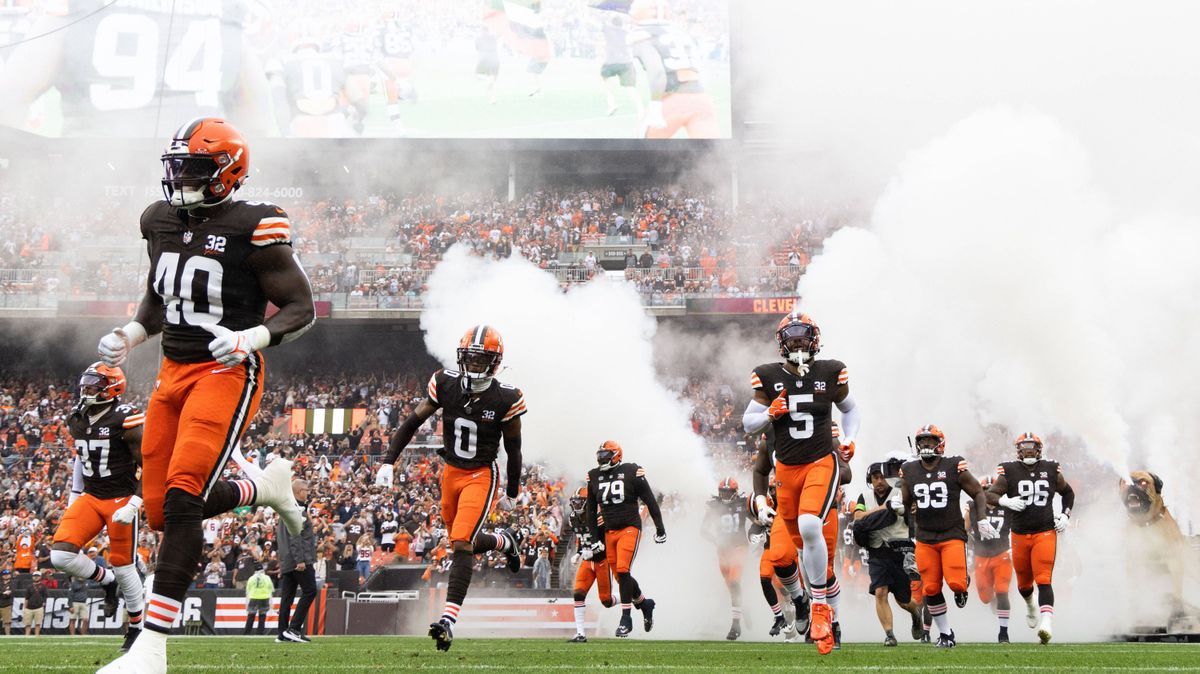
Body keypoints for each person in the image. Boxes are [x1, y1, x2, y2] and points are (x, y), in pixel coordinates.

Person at [95, 117, 314, 674]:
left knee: (186, 494)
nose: (182, 178)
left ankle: (151, 650)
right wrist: (131, 333)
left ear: (227, 172)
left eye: (195, 168)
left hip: (226, 373)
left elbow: (300, 307)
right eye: (178, 167)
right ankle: (261, 488)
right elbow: (158, 298)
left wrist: (252, 337)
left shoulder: (256, 226)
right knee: (164, 513)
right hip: (172, 371)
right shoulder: (159, 220)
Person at [385, 325, 526, 652]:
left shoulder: (507, 397)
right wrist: (387, 460)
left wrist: (513, 492)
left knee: (461, 543)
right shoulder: (445, 382)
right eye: (470, 359)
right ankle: (505, 542)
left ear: (494, 363)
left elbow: (514, 449)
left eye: (481, 360)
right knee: (464, 541)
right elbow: (412, 422)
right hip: (450, 472)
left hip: (480, 474)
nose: (474, 366)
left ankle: (448, 620)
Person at [743, 311, 861, 655]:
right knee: (786, 554)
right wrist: (770, 413)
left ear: (815, 338)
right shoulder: (767, 376)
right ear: (782, 342)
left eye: (803, 334)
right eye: (791, 335)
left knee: (811, 525)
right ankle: (804, 601)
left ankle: (822, 610)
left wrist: (850, 439)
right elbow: (749, 423)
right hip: (787, 472)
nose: (797, 340)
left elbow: (851, 409)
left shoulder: (829, 371)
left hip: (821, 463)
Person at [51, 363, 144, 651]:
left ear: (111, 388)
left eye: (94, 384)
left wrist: (135, 503)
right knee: (60, 555)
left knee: (125, 564)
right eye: (87, 383)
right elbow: (82, 456)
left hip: (120, 498)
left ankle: (137, 628)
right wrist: (75, 495)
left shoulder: (126, 419)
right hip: (91, 497)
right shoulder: (78, 417)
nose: (87, 388)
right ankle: (106, 581)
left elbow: (150, 466)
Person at [900, 425, 996, 649]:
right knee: (931, 588)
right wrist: (903, 511)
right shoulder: (909, 470)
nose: (925, 445)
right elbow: (906, 503)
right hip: (924, 536)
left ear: (941, 443)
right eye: (922, 441)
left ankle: (964, 583)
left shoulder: (954, 466)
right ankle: (946, 634)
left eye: (929, 441)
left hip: (951, 533)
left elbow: (978, 492)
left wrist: (981, 518)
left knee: (955, 583)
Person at [987, 432, 1075, 644]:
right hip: (1018, 533)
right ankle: (1030, 604)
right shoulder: (1008, 470)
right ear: (1018, 450)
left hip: (1045, 531)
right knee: (1024, 585)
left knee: (1044, 578)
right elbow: (990, 495)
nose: (1028, 450)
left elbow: (1068, 493)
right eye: (1024, 447)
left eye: (1031, 446)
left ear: (1039, 448)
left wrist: (1065, 515)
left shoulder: (1051, 469)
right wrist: (1005, 502)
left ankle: (1046, 624)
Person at [586, 441, 666, 639]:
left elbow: (650, 500)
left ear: (616, 455)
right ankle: (645, 604)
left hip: (630, 527)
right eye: (600, 455)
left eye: (606, 455)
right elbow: (589, 510)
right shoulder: (594, 475)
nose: (601, 458)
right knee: (620, 576)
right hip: (609, 531)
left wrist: (660, 528)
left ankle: (626, 619)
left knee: (623, 570)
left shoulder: (631, 471)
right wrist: (594, 538)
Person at [853, 456, 923, 646]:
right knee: (880, 592)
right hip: (877, 550)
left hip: (900, 549)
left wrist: (909, 509)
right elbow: (858, 516)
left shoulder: (901, 492)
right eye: (875, 477)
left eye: (882, 477)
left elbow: (913, 514)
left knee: (903, 599)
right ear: (870, 480)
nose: (879, 481)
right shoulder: (864, 497)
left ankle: (915, 612)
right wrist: (884, 509)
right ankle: (889, 634)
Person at [628, 0, 719, 138]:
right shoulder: (679, 31)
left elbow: (657, 73)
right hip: (701, 98)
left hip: (673, 98)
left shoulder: (641, 34)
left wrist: (655, 107)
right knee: (711, 155)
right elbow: (699, 66)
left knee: (643, 152)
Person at [702, 477, 749, 640]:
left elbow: (756, 522)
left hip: (739, 546)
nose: (725, 495)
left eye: (728, 492)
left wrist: (758, 534)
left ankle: (735, 624)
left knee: (734, 581)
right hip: (723, 550)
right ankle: (742, 609)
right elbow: (703, 530)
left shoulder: (744, 503)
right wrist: (716, 540)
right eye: (723, 492)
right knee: (731, 586)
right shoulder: (715, 506)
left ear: (735, 492)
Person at [567, 487, 614, 643]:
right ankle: (581, 633)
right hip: (587, 562)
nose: (576, 504)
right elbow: (583, 537)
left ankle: (630, 598)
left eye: (579, 501)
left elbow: (606, 542)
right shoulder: (573, 518)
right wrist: (579, 553)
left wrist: (593, 551)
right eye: (574, 501)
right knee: (578, 594)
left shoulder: (599, 517)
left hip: (602, 561)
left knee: (606, 601)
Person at [971, 476, 1014, 643]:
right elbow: (964, 530)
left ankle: (1003, 633)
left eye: (991, 489)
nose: (988, 493)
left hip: (1002, 553)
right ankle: (994, 598)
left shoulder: (1008, 508)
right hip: (981, 555)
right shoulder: (973, 508)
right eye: (985, 490)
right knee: (985, 597)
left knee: (1002, 590)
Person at [278, 480, 318, 644]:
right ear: (299, 491)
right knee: (310, 590)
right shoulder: (297, 509)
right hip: (299, 559)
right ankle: (294, 628)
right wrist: (300, 560)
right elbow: (296, 536)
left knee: (287, 597)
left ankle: (282, 633)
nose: (308, 493)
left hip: (287, 559)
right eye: (306, 490)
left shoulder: (285, 509)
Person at [243, 564, 273, 636]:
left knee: (251, 616)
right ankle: (260, 632)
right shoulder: (267, 578)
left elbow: (248, 590)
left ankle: (247, 632)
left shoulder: (251, 578)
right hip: (264, 597)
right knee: (262, 616)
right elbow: (271, 589)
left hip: (254, 597)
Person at [23, 570, 47, 636]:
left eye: (37, 576)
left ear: (40, 577)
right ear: (32, 577)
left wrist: (43, 603)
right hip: (29, 608)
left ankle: (37, 635)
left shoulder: (43, 586)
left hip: (39, 607)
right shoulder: (29, 586)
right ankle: (27, 635)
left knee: (38, 623)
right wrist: (25, 607)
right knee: (27, 624)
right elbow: (26, 598)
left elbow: (45, 596)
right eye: (34, 576)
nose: (36, 577)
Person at [1, 568, 13, 636]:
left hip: (6, 605)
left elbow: (9, 593)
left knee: (7, 622)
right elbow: (4, 594)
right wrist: (3, 593)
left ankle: (7, 635)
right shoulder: (0, 583)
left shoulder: (12, 583)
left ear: (9, 575)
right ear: (2, 576)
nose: (6, 576)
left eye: (7, 574)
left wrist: (2, 593)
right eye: (4, 574)